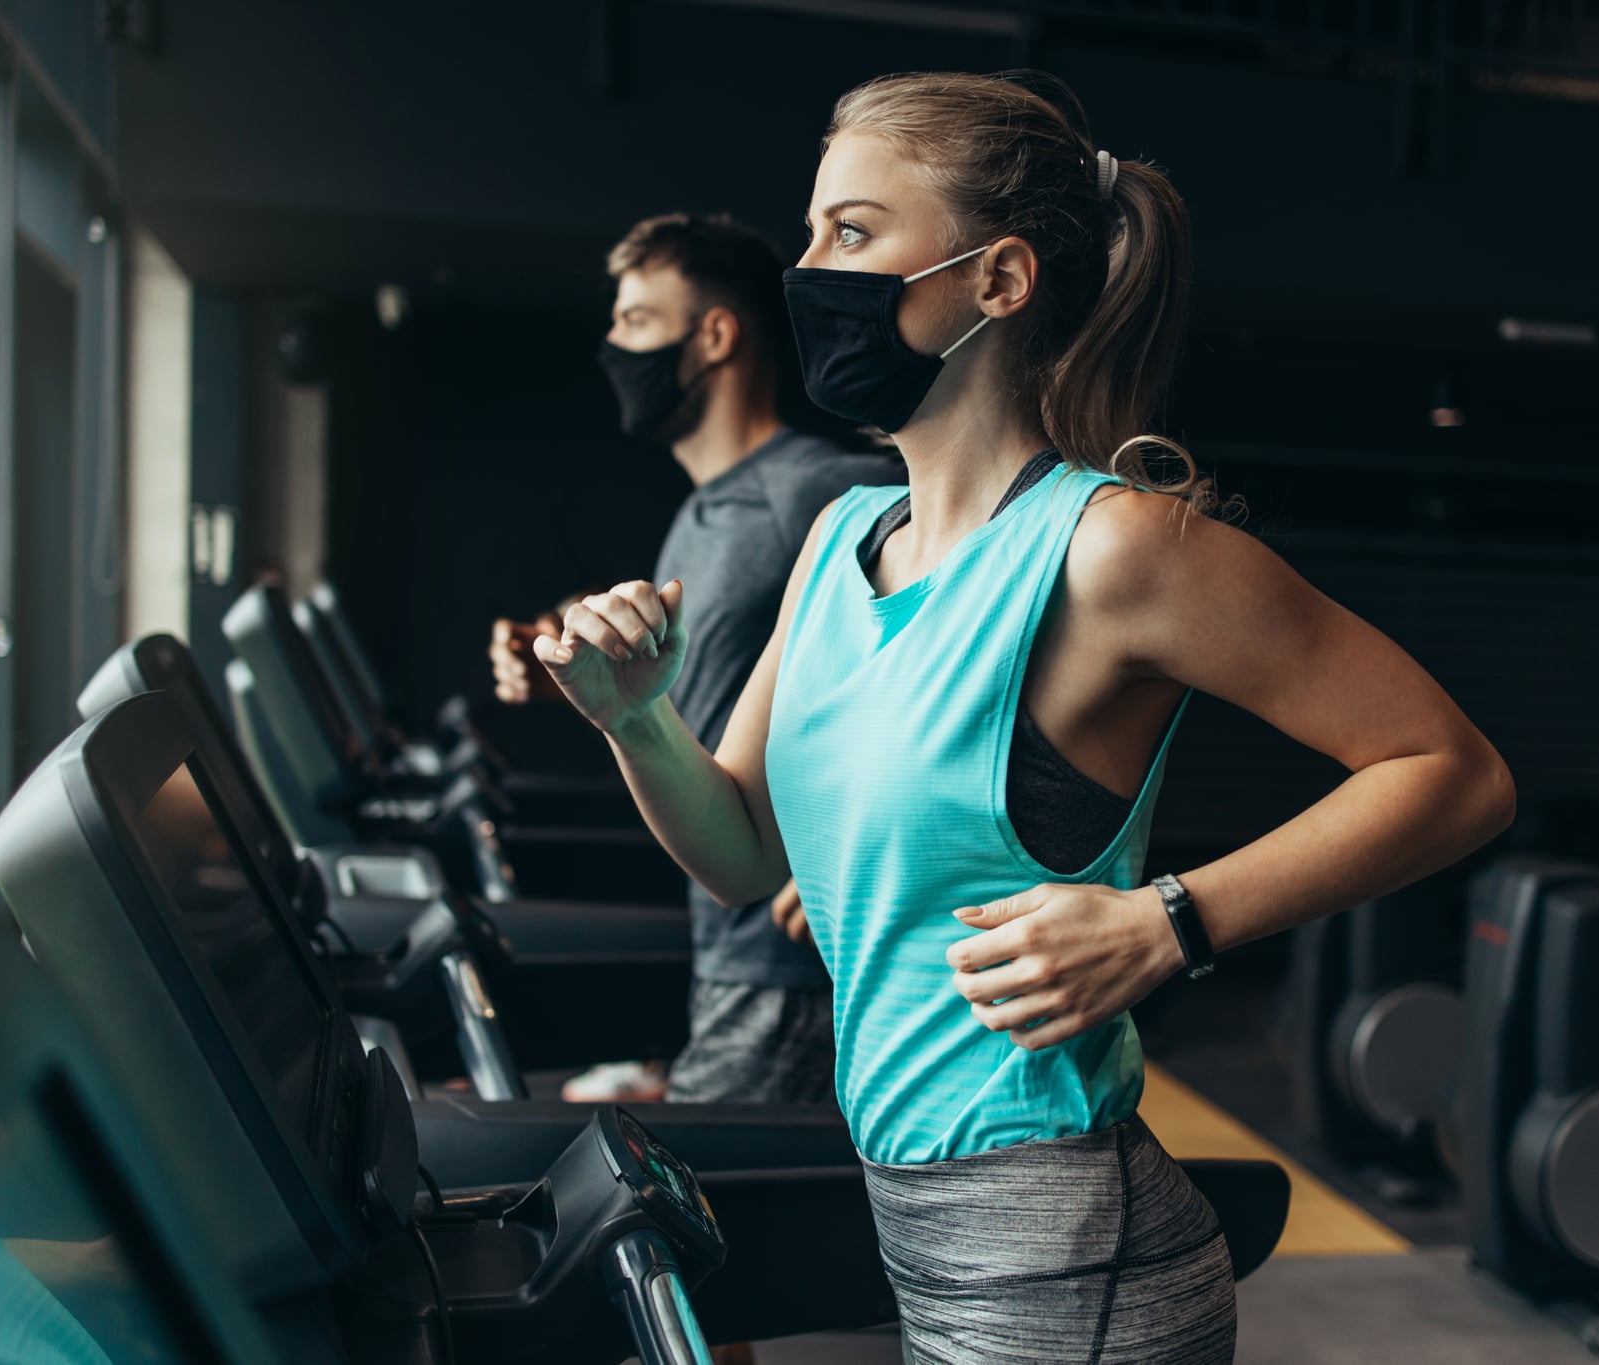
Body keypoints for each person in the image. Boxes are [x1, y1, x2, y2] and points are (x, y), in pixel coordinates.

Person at [531, 71, 1516, 1363]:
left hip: (1069, 1254)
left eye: (856, 234)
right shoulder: (838, 543)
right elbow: (738, 853)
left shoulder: (1117, 552)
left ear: (998, 281)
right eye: (817, 230)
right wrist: (634, 717)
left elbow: (1453, 769)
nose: (810, 271)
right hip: (924, 1227)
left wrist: (1173, 921)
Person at [489, 212, 902, 1107]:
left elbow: (973, 646)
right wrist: (568, 662)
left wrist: (863, 844)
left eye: (636, 322)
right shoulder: (706, 511)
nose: (613, 347)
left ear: (713, 335)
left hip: (784, 966)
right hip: (726, 939)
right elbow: (711, 697)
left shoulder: (820, 492)